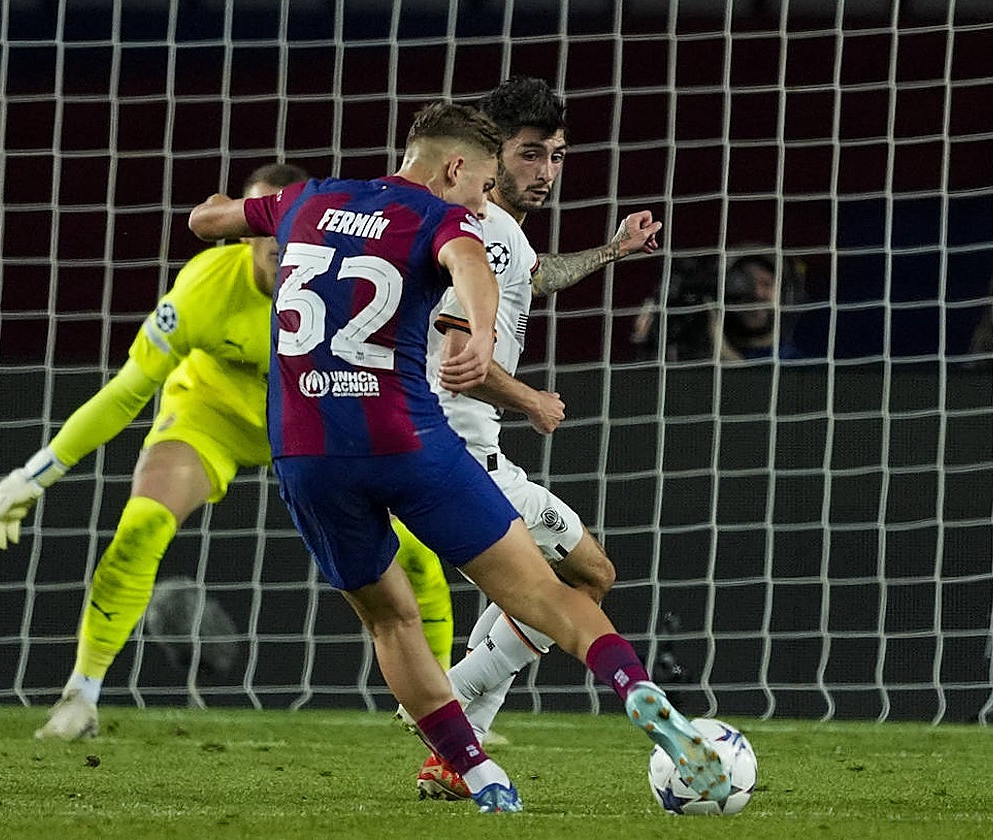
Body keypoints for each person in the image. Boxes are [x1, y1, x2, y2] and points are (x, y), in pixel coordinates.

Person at [187, 101, 729, 814]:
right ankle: (633, 688)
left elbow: (205, 222)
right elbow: (470, 263)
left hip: (308, 450)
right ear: (454, 169)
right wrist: (481, 335)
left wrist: (235, 210)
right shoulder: (446, 218)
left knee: (390, 620)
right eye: (480, 186)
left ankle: (477, 773)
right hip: (415, 441)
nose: (482, 204)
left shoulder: (310, 198)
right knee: (555, 590)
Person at [0, 162, 456, 740]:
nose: (276, 241)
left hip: (318, 423)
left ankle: (447, 703)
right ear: (240, 228)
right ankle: (80, 695)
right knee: (141, 527)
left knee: (416, 557)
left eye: (287, 223)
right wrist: (36, 474)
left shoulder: (356, 287)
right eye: (262, 225)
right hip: (212, 419)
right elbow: (128, 391)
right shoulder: (206, 288)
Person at [403, 76, 662, 801]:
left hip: (450, 449)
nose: (545, 172)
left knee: (557, 583)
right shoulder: (469, 230)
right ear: (488, 152)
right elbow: (459, 359)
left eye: (557, 156)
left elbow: (533, 276)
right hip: (458, 453)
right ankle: (443, 698)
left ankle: (453, 757)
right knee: (589, 578)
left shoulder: (499, 232)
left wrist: (611, 251)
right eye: (528, 155)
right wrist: (532, 401)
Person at [637, 251, 805, 362]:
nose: (755, 294)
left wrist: (721, 353)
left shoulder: (791, 364)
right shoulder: (700, 330)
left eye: (766, 284)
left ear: (785, 295)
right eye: (743, 283)